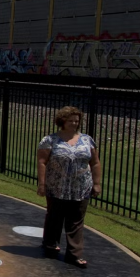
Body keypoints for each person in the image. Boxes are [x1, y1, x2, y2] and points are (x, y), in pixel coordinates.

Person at [37, 105, 102, 267]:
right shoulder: (50, 140)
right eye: (70, 121)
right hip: (56, 186)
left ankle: (74, 254)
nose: (74, 123)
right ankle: (50, 244)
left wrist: (97, 183)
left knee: (76, 221)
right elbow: (42, 162)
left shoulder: (87, 140)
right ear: (62, 121)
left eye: (76, 121)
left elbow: (95, 163)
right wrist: (42, 184)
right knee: (54, 217)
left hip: (80, 188)